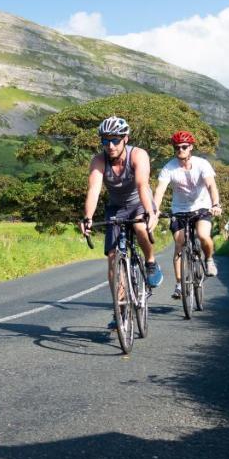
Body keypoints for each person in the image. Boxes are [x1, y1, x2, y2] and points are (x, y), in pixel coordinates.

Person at [80, 117, 163, 313]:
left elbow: (142, 185)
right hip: (116, 208)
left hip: (139, 203)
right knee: (112, 258)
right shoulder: (99, 161)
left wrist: (150, 212)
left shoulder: (138, 155)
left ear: (125, 138)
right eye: (105, 141)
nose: (110, 145)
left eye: (115, 140)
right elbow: (93, 190)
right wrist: (88, 218)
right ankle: (121, 309)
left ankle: (150, 261)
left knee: (140, 227)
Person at [152, 131, 222, 299]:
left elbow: (211, 186)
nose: (180, 150)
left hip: (202, 207)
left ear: (190, 147)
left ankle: (209, 259)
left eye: (184, 147)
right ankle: (179, 285)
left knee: (203, 235)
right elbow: (160, 190)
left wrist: (215, 204)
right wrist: (154, 210)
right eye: (177, 148)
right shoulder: (169, 167)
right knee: (179, 243)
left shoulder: (202, 164)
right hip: (179, 210)